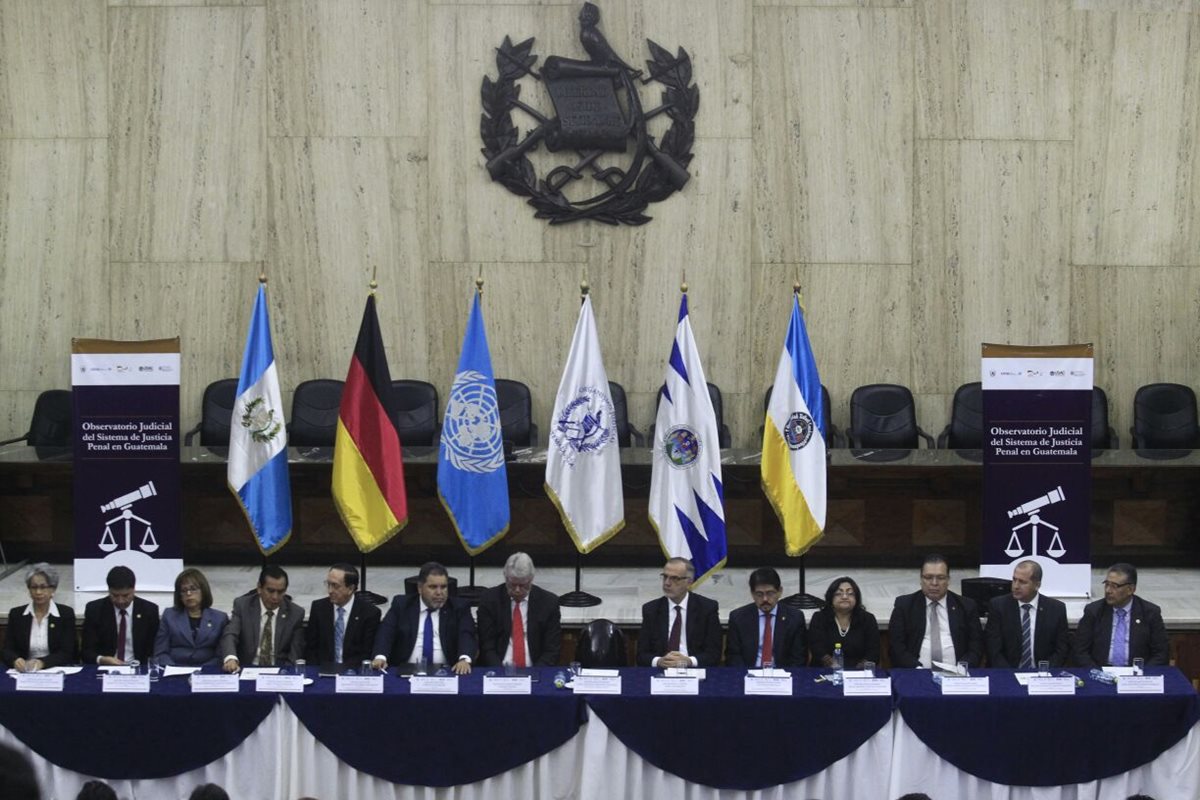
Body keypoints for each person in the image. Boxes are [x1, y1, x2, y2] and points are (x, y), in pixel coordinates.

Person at [373, 562, 476, 675]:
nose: (439, 592)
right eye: (433, 587)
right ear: (420, 588)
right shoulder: (402, 604)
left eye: (443, 587)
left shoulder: (459, 607)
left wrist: (464, 659)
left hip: (447, 671)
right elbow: (386, 632)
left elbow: (466, 634)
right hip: (406, 670)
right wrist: (380, 657)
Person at [888, 554, 983, 669]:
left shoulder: (967, 606)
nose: (934, 583)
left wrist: (961, 669)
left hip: (957, 676)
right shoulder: (904, 606)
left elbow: (976, 647)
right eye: (928, 577)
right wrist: (917, 670)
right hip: (916, 674)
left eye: (940, 578)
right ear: (921, 579)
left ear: (948, 580)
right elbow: (896, 648)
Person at [1074, 562, 1169, 668]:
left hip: (1136, 675)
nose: (1108, 590)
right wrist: (1097, 673)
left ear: (1130, 589)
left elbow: (1161, 653)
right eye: (1106, 584)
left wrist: (1141, 674)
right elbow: (1080, 651)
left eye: (1115, 586)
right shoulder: (1094, 611)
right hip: (1100, 672)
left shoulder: (1150, 612)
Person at [476, 552, 562, 667]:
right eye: (512, 584)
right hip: (498, 669)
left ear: (531, 579)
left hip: (536, 669)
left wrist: (536, 673)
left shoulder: (548, 603)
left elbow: (552, 649)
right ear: (505, 577)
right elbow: (487, 646)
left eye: (523, 585)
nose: (517, 590)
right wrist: (499, 673)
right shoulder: (489, 600)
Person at [636, 557, 722, 667]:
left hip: (694, 671)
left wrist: (689, 661)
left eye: (674, 578)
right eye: (665, 577)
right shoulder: (651, 610)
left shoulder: (707, 608)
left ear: (689, 582)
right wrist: (659, 661)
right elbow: (641, 655)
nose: (667, 583)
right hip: (662, 672)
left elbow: (713, 654)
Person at [985, 560, 1069, 668]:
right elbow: (993, 650)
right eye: (1014, 580)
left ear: (1037, 585)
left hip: (1044, 675)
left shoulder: (1056, 609)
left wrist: (1045, 672)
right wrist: (1009, 675)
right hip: (1007, 673)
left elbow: (1061, 649)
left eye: (1022, 582)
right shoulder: (998, 606)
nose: (1016, 586)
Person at [221, 564, 306, 672]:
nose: (275, 597)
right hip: (247, 669)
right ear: (259, 588)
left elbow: (295, 653)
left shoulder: (295, 613)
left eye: (280, 592)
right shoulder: (243, 606)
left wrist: (285, 673)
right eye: (270, 591)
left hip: (279, 672)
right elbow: (230, 634)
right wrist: (231, 658)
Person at [725, 567, 807, 668]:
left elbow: (798, 658)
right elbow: (733, 656)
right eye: (759, 594)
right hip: (749, 674)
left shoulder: (794, 617)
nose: (765, 599)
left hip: (782, 676)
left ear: (780, 591)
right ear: (752, 593)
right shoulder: (738, 618)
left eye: (770, 593)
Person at [1, 563, 77, 671]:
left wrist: (42, 663)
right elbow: (7, 650)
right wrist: (15, 660)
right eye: (34, 587)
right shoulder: (17, 614)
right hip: (23, 673)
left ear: (53, 589)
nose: (38, 592)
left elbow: (67, 652)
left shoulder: (65, 614)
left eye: (43, 587)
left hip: (54, 670)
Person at [81, 565, 160, 666]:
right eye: (114, 595)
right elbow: (86, 651)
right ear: (108, 590)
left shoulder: (149, 610)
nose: (120, 601)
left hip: (139, 668)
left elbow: (153, 650)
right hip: (106, 668)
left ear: (134, 590)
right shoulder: (95, 610)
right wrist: (101, 659)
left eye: (125, 595)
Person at [305, 563, 380, 667]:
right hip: (324, 670)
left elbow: (366, 653)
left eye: (335, 586)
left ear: (350, 589)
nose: (330, 590)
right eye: (328, 584)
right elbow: (311, 649)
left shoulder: (369, 613)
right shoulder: (319, 608)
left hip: (353, 672)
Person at [153, 568, 228, 667]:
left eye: (193, 589)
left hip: (207, 673)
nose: (188, 594)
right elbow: (160, 652)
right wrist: (173, 668)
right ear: (179, 595)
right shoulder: (169, 615)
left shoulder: (220, 618)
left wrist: (202, 671)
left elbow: (220, 655)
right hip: (174, 669)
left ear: (203, 590)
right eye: (184, 590)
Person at [808, 576, 881, 669]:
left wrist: (855, 673)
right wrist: (835, 668)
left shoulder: (867, 619)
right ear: (830, 598)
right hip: (825, 672)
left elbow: (874, 652)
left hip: (858, 674)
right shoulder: (819, 618)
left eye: (850, 593)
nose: (845, 597)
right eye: (839, 593)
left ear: (857, 598)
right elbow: (817, 648)